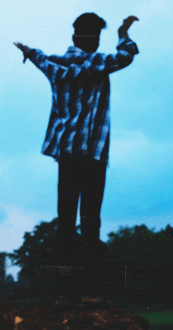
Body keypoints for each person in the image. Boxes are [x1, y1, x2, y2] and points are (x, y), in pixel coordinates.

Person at [14, 13, 139, 274]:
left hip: (66, 154)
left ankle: (66, 291)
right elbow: (127, 54)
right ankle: (89, 289)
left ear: (73, 37)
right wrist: (122, 33)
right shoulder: (97, 62)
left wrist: (28, 50)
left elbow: (39, 58)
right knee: (91, 219)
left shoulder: (54, 65)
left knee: (66, 220)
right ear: (94, 39)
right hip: (92, 153)